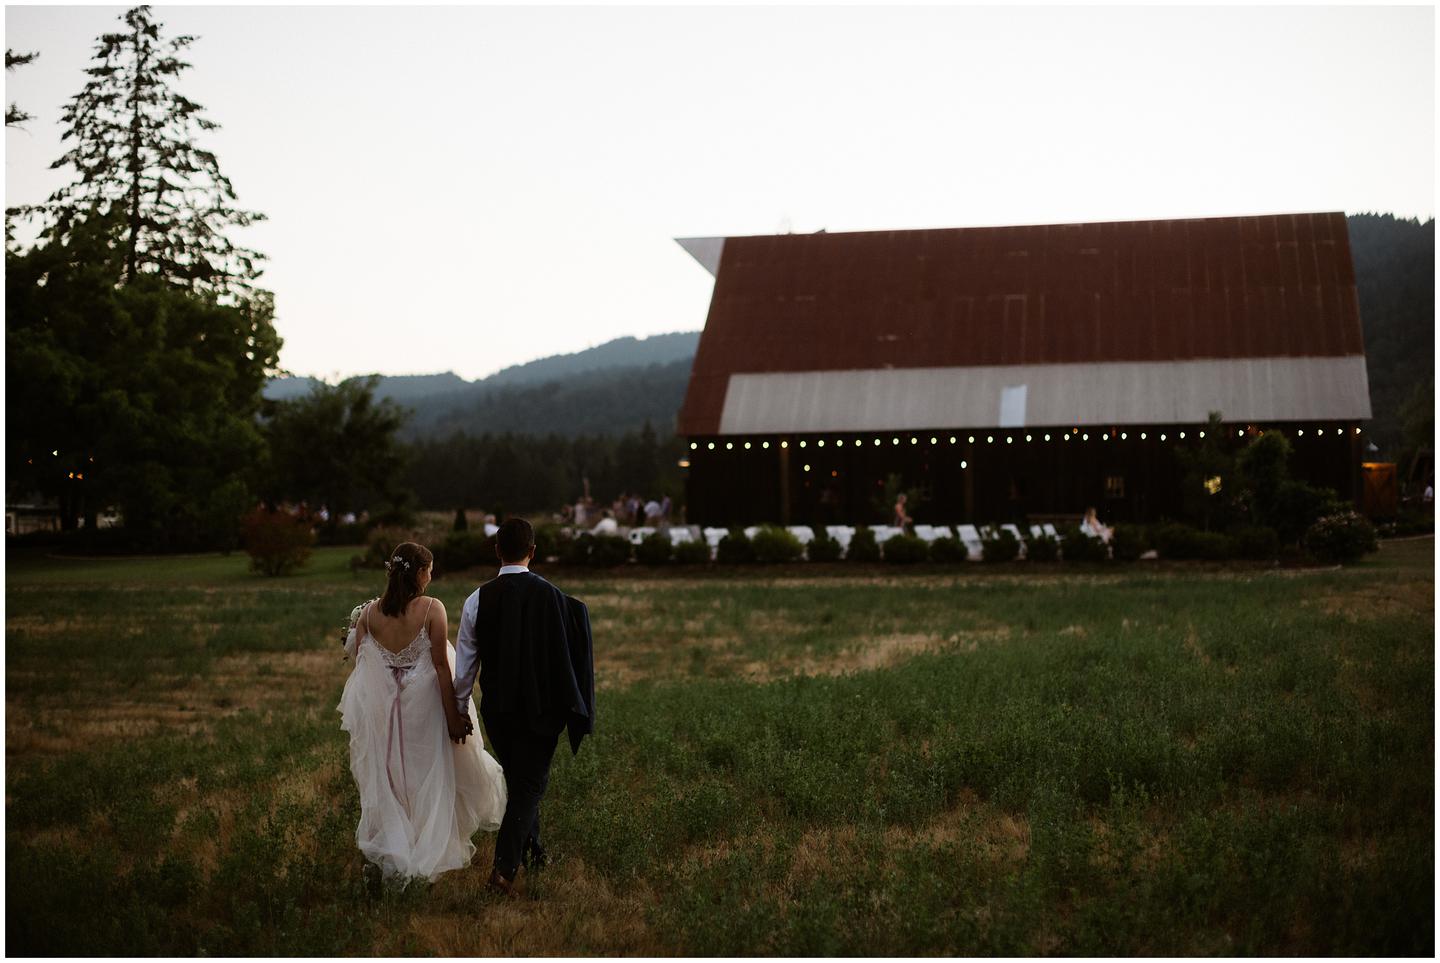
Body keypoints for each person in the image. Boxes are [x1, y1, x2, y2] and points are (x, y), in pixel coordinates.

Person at [338, 541, 506, 890]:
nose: (432, 575)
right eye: (429, 569)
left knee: (393, 779)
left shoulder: (368, 614)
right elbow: (443, 668)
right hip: (426, 708)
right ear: (418, 573)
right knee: (428, 776)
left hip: (387, 712)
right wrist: (454, 716)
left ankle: (393, 849)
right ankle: (421, 852)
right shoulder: (432, 608)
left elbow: (364, 668)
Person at [453, 518, 594, 897]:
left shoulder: (477, 599)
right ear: (533, 552)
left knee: (521, 780)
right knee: (530, 785)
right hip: (541, 711)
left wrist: (459, 709)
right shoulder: (555, 598)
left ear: (497, 551)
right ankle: (502, 872)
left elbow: (466, 664)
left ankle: (535, 855)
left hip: (498, 710)